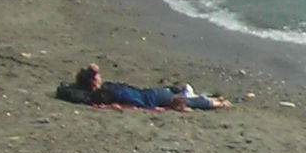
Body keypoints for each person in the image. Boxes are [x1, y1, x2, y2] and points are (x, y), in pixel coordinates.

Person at [58, 65, 233, 111]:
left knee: (184, 92)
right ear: (93, 82)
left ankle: (213, 101)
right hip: (153, 97)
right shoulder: (107, 93)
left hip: (153, 94)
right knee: (191, 100)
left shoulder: (106, 89)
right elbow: (136, 103)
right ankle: (216, 102)